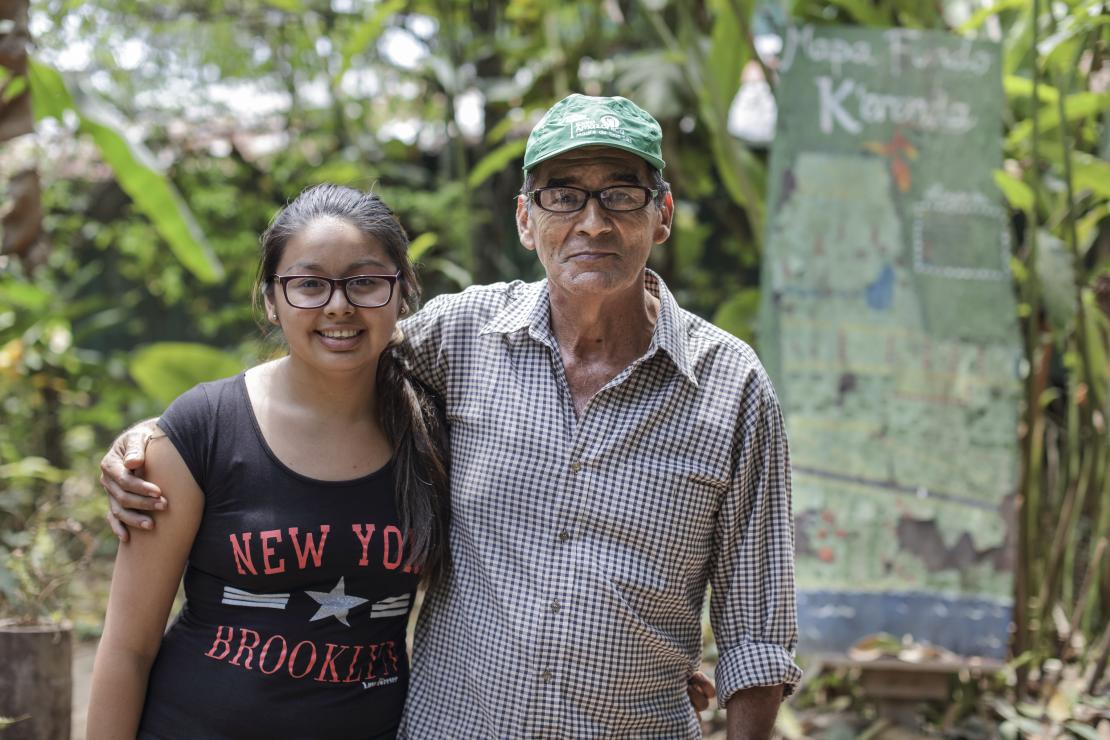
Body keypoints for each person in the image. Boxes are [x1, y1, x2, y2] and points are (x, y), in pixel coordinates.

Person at [101, 94, 801, 738]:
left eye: (622, 195)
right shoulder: (465, 335)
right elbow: (332, 352)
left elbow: (757, 636)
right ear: (528, 220)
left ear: (664, 214)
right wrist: (157, 438)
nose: (593, 222)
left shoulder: (732, 388)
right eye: (563, 197)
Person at [87, 184, 450, 739]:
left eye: (366, 281)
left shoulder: (434, 431)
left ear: (402, 293)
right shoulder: (205, 428)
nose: (338, 305)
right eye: (308, 284)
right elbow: (127, 649)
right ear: (270, 300)